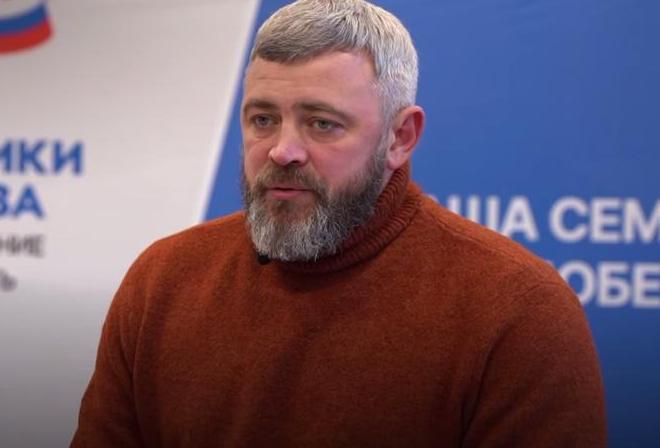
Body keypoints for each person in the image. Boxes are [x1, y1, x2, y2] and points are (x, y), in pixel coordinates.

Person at [71, 0, 606, 446]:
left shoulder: (517, 312)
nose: (282, 150)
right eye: (263, 119)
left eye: (322, 123)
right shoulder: (163, 281)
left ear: (400, 138)